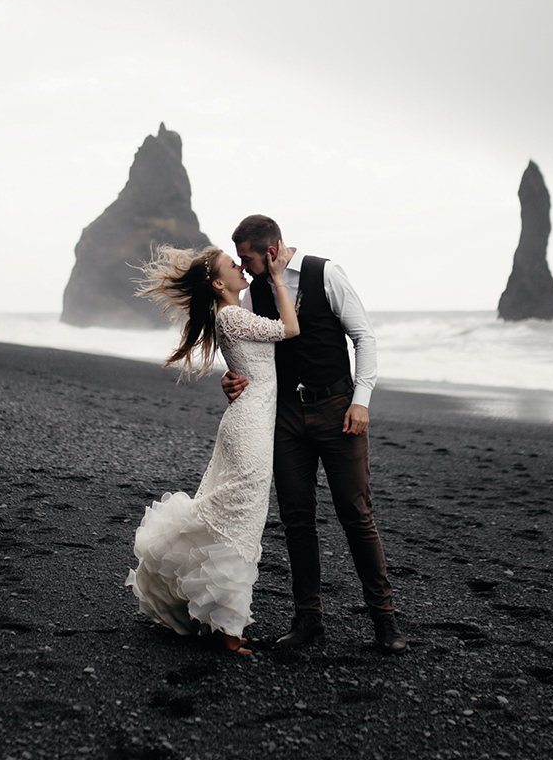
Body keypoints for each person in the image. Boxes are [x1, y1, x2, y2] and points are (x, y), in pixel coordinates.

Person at [222, 214, 407, 653]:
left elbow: (364, 337)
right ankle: (308, 621)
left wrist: (361, 400)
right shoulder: (254, 292)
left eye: (247, 258)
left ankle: (385, 622)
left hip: (338, 409)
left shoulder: (325, 273)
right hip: (285, 416)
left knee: (355, 514)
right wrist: (231, 379)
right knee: (296, 519)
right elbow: (251, 350)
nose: (242, 268)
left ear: (270, 251)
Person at [124, 243, 299, 654]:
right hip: (250, 429)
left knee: (234, 520)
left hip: (248, 423)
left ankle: (221, 620)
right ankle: (228, 630)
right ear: (219, 283)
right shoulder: (233, 314)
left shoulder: (231, 314)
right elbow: (290, 330)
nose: (241, 268)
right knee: (241, 524)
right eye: (232, 265)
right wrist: (276, 277)